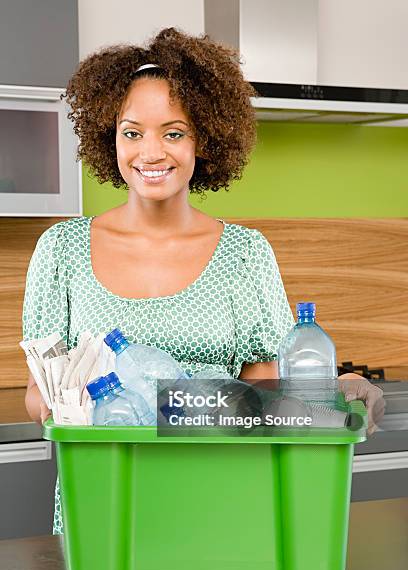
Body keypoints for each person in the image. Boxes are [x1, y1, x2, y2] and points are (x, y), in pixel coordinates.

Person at [22, 28, 384, 535]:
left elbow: (266, 389)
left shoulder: (244, 254)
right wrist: (69, 403)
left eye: (174, 132)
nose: (150, 152)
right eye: (132, 132)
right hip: (104, 501)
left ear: (204, 140)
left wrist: (331, 390)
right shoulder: (60, 251)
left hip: (223, 495)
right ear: (110, 136)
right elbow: (39, 398)